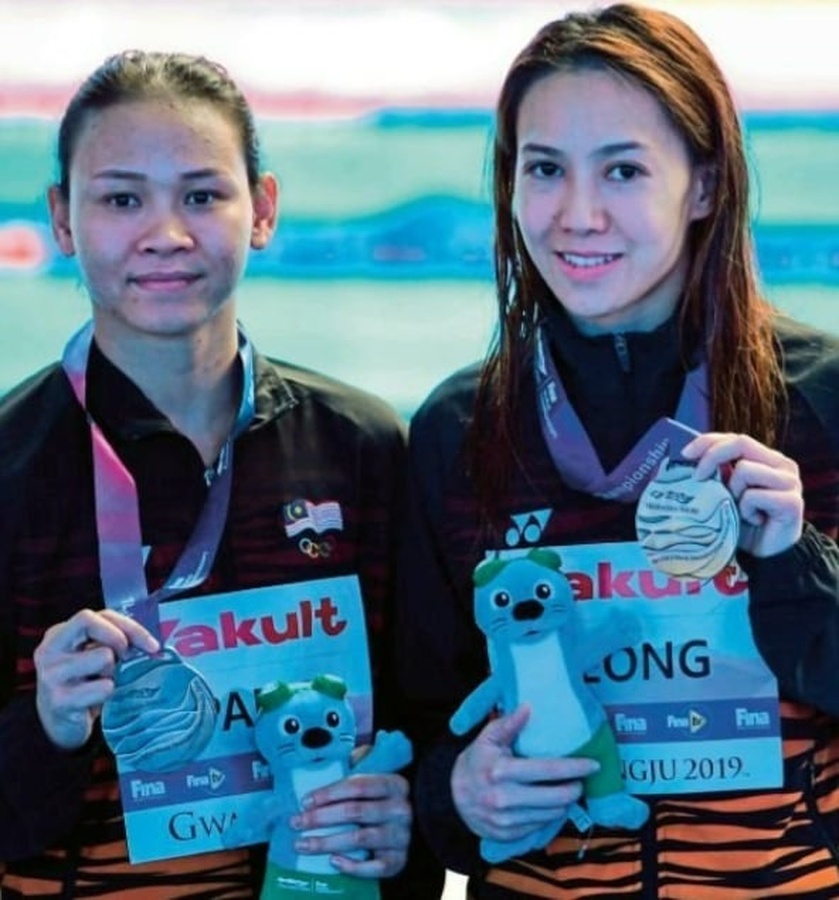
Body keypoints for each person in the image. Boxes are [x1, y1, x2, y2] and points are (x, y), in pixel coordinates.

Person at [395, 3, 839, 898]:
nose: (578, 214)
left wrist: (794, 561)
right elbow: (411, 738)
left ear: (705, 187)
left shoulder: (819, 403)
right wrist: (457, 790)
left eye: (624, 170)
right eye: (545, 170)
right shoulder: (458, 433)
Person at [0, 50, 436, 898]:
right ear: (62, 219)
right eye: (122, 198)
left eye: (201, 195)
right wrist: (47, 722)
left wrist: (410, 809)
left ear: (262, 209)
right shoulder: (13, 467)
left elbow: (426, 726)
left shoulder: (359, 447)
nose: (166, 233)